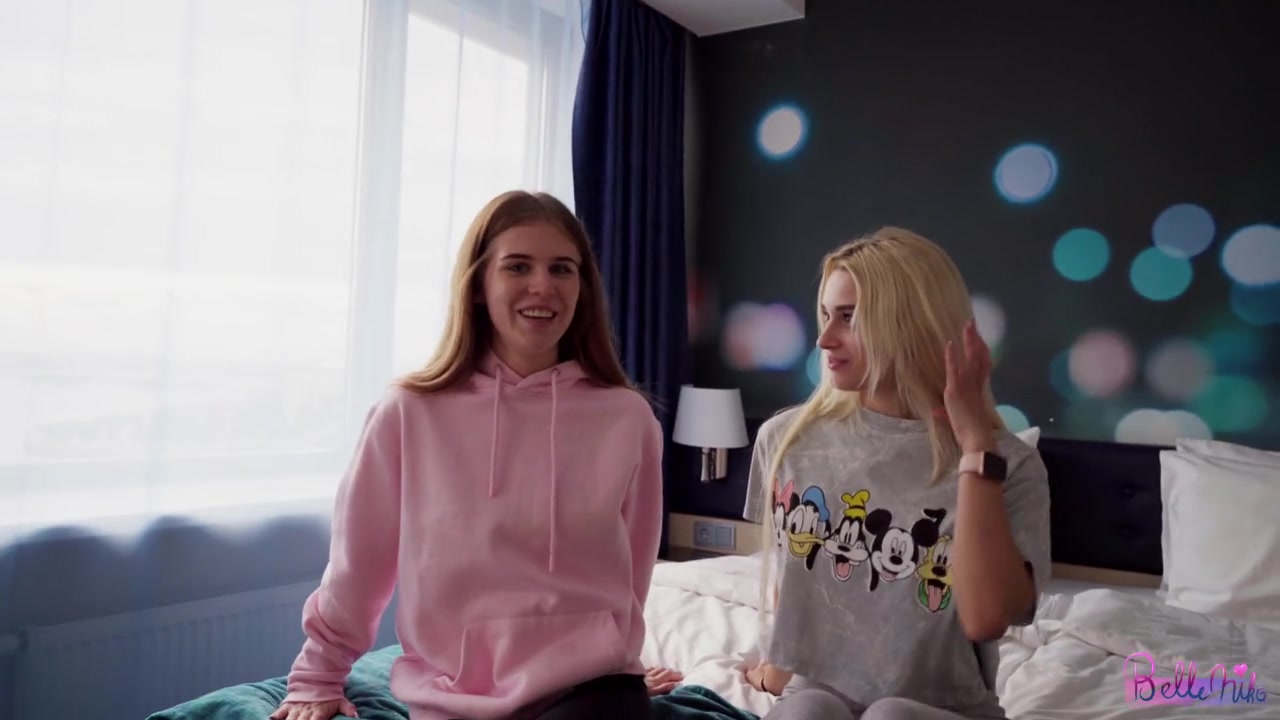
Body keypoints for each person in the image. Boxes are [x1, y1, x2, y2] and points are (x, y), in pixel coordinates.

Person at [269, 190, 666, 720]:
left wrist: (622, 657)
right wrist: (317, 676)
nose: (543, 286)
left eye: (562, 269)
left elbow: (634, 569)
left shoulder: (626, 417)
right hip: (450, 691)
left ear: (583, 288)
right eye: (518, 266)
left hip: (591, 687)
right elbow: (358, 564)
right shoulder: (408, 412)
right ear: (478, 286)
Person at [740, 227, 1051, 720]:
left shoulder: (1009, 465)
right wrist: (772, 674)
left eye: (849, 317)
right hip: (813, 694)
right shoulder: (786, 440)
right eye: (826, 314)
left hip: (945, 707)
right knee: (807, 712)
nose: (824, 338)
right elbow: (797, 580)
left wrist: (976, 448)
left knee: (892, 716)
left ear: (908, 323)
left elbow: (987, 618)